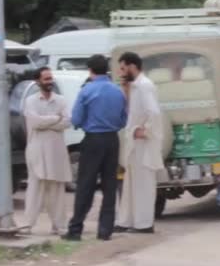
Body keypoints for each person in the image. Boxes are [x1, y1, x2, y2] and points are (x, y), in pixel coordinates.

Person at [62, 55, 127, 241]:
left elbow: (76, 119)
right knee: (110, 185)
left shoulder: (87, 91)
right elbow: (124, 119)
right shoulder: (117, 91)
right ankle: (105, 230)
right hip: (112, 140)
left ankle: (75, 230)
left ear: (90, 70)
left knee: (85, 185)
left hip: (92, 140)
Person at [115, 52, 164, 233]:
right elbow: (132, 111)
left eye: (123, 68)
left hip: (143, 143)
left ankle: (144, 224)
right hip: (134, 143)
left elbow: (154, 113)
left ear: (132, 66)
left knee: (144, 185)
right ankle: (126, 221)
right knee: (130, 184)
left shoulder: (144, 86)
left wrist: (146, 131)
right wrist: (126, 90)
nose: (121, 72)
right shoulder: (135, 87)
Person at [23, 67, 72, 235]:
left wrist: (48, 122)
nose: (50, 81)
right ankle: (27, 225)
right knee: (35, 188)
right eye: (46, 79)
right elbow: (35, 122)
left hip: (56, 152)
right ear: (38, 81)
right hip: (37, 150)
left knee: (57, 189)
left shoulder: (61, 100)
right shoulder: (31, 101)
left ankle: (59, 226)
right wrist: (55, 118)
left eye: (51, 78)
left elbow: (67, 122)